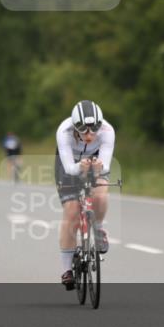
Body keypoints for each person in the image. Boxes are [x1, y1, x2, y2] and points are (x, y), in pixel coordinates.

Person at [54, 100, 115, 290]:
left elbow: (105, 164)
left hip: (95, 161)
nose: (89, 134)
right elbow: (70, 168)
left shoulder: (107, 130)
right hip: (69, 166)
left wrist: (98, 169)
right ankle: (67, 270)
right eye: (83, 129)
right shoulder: (64, 131)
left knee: (101, 194)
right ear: (74, 125)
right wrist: (80, 167)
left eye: (93, 129)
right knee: (71, 212)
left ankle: (98, 228)